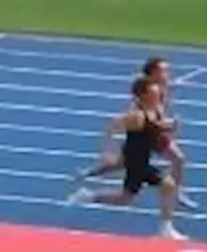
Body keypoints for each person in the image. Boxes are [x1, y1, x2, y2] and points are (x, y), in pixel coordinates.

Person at [67, 75, 186, 240]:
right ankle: (88, 194)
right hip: (136, 160)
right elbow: (112, 126)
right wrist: (108, 149)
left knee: (128, 197)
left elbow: (156, 125)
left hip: (142, 157)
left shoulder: (155, 109)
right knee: (160, 187)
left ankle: (88, 193)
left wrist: (170, 125)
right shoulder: (136, 116)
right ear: (144, 95)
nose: (158, 93)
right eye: (154, 91)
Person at [74, 57, 197, 209]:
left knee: (175, 159)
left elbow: (160, 105)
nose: (168, 74)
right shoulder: (144, 92)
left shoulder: (160, 86)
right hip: (148, 134)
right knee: (128, 170)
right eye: (163, 71)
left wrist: (167, 121)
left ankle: (175, 192)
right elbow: (134, 118)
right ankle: (90, 180)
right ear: (153, 73)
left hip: (154, 132)